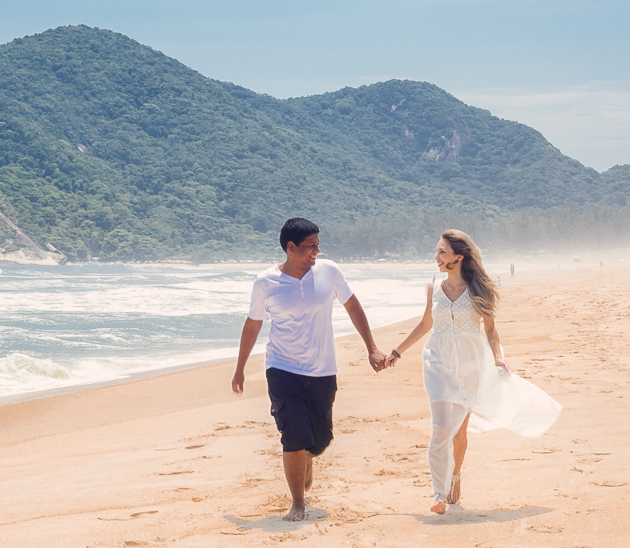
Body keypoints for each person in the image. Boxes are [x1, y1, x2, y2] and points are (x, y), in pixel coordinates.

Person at [384, 230, 561, 515]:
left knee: (458, 433)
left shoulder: (480, 290)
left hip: (470, 365)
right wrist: (397, 351)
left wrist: (499, 358)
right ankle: (439, 493)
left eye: (442, 252)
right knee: (440, 428)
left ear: (459, 257)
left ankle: (456, 476)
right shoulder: (433, 289)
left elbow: (490, 330)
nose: (436, 257)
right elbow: (425, 324)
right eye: (437, 251)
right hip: (437, 361)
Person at [231, 218, 388, 522]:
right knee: (293, 437)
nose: (317, 250)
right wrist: (240, 369)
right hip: (282, 368)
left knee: (319, 440)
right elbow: (253, 324)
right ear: (291, 248)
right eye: (310, 246)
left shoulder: (329, 271)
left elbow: (353, 306)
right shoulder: (266, 282)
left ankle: (306, 455)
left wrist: (371, 347)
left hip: (322, 370)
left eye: (318, 244)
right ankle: (298, 502)